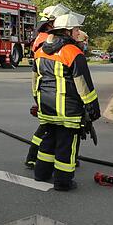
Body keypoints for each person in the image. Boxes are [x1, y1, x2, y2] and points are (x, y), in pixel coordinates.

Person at [32, 12, 99, 191]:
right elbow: (83, 84)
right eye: (76, 29)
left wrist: (37, 101)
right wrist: (93, 109)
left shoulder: (40, 51)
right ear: (68, 31)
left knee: (48, 140)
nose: (78, 33)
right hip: (68, 110)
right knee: (66, 145)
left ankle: (41, 173)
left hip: (46, 107)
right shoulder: (72, 52)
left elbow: (35, 80)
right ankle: (63, 182)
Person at [25, 5, 72, 170]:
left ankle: (36, 158)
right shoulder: (47, 39)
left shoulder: (43, 37)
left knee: (47, 127)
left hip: (44, 89)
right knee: (48, 128)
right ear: (53, 22)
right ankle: (34, 158)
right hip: (51, 91)